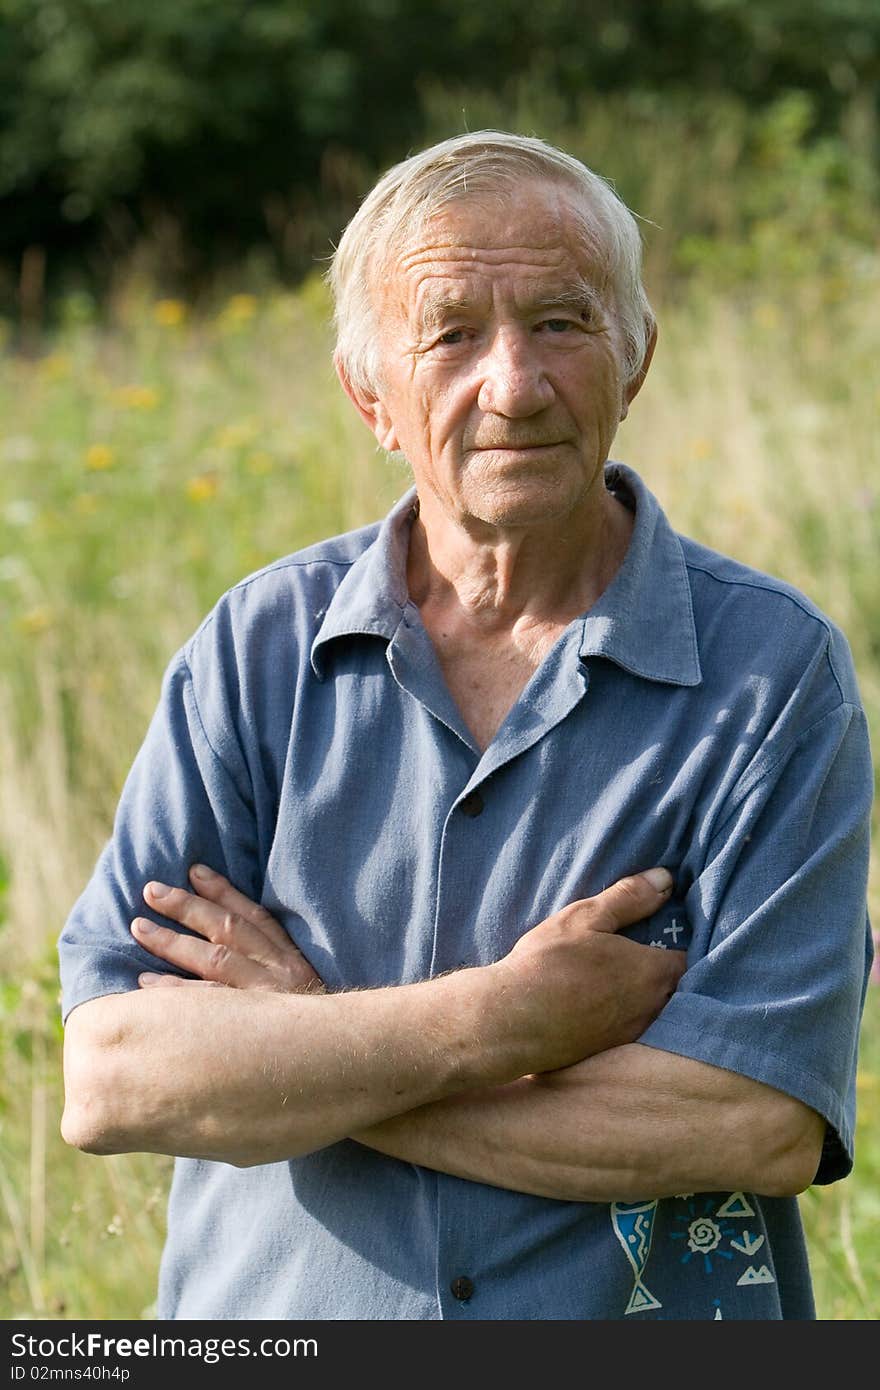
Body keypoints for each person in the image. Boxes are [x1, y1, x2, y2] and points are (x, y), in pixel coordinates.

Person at [58, 130, 874, 1322]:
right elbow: (117, 1077)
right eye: (451, 334)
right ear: (369, 395)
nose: (514, 384)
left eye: (561, 321)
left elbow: (752, 1121)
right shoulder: (257, 651)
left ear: (635, 358)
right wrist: (499, 1021)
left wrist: (304, 1053)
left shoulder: (772, 673)